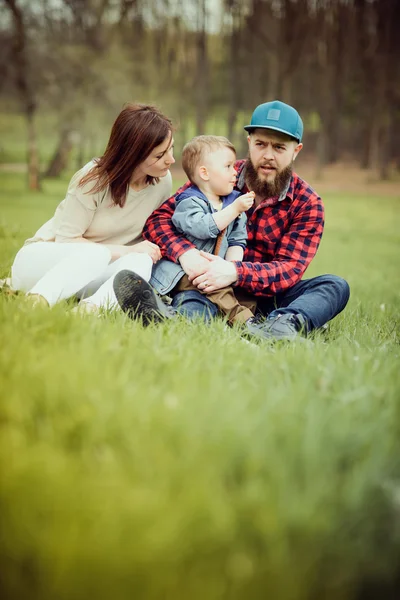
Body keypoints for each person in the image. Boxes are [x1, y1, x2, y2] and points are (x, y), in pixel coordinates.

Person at [113, 100, 350, 341]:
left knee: (335, 286)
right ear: (250, 143)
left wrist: (234, 271)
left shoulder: (307, 203)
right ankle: (174, 320)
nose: (268, 155)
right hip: (208, 285)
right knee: (194, 298)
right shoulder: (222, 174)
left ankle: (280, 327)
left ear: (295, 151)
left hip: (267, 296)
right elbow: (159, 220)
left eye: (279, 148)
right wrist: (186, 254)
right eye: (261, 144)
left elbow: (289, 269)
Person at [10, 103, 175, 311]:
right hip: (42, 264)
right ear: (133, 153)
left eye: (171, 148)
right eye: (160, 155)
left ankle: (88, 311)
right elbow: (67, 240)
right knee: (96, 253)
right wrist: (126, 250)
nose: (171, 160)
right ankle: (36, 301)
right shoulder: (92, 179)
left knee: (141, 262)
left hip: (88, 275)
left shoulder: (162, 181)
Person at [119, 135, 257, 326]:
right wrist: (234, 210)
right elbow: (202, 228)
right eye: (228, 167)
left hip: (208, 275)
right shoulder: (189, 202)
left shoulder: (234, 201)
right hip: (180, 272)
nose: (235, 173)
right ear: (205, 173)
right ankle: (246, 322)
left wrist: (229, 267)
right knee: (215, 289)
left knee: (200, 304)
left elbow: (237, 239)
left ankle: (167, 316)